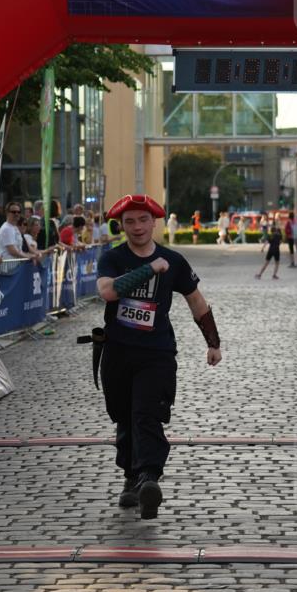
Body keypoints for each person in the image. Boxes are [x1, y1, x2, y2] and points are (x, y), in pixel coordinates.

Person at [96, 193, 221, 519]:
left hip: (157, 353)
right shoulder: (113, 258)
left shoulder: (174, 260)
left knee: (146, 414)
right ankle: (131, 477)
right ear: (120, 226)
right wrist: (150, 270)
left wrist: (213, 342)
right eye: (129, 222)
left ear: (154, 222)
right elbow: (108, 291)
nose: (137, 227)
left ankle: (149, 477)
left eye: (143, 220)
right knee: (123, 416)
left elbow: (196, 301)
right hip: (118, 352)